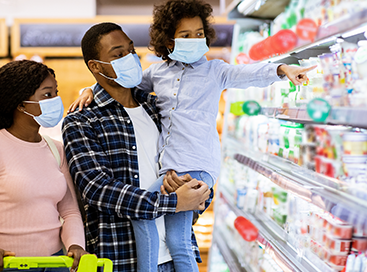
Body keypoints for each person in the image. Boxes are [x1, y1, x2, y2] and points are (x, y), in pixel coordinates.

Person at [68, 1, 315, 272]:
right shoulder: (153, 79)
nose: (195, 40)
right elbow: (117, 83)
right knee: (174, 236)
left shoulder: (209, 74)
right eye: (185, 35)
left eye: (199, 33)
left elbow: (245, 74)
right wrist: (87, 90)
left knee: (179, 240)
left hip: (197, 168)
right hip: (148, 212)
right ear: (168, 41)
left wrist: (281, 70)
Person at [61, 22, 212, 272]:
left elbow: (194, 158)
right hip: (123, 259)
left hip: (177, 256)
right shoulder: (81, 120)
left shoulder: (158, 107)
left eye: (131, 50)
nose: (130, 58)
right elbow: (98, 190)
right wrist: (173, 203)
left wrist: (198, 194)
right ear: (96, 66)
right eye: (118, 54)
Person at [0, 60, 87, 272]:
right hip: (8, 265)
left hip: (57, 263)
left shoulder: (56, 149)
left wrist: (76, 245)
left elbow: (70, 212)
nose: (56, 101)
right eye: (47, 95)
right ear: (20, 104)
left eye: (55, 93)